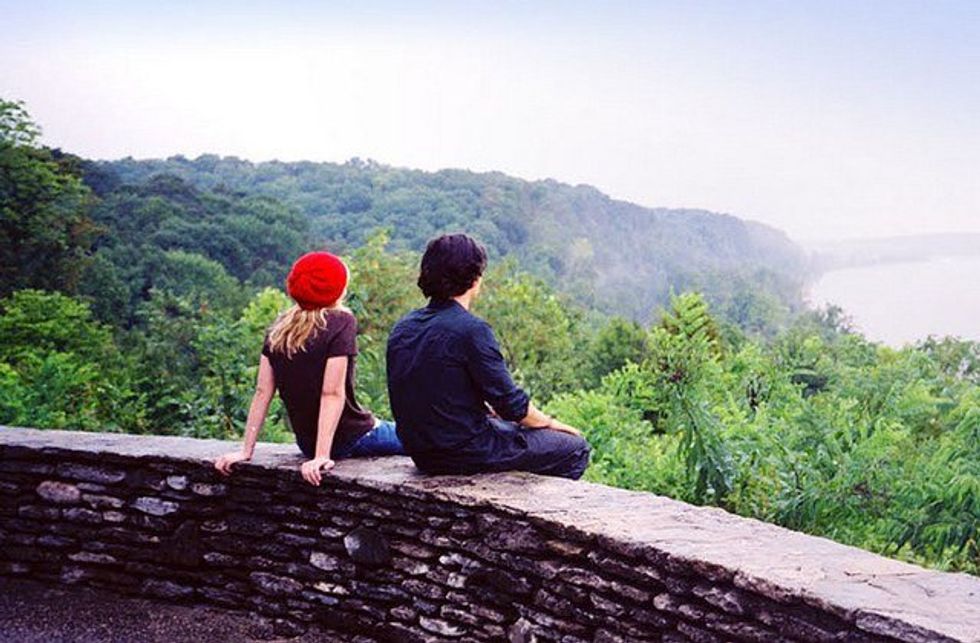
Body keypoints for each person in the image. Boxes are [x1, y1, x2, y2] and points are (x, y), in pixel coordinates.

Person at [386, 233, 590, 480]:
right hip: (463, 452)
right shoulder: (471, 330)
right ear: (475, 278)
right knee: (575, 448)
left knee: (511, 429)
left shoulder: (404, 327)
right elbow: (511, 404)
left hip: (422, 453)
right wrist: (550, 423)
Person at [214, 251, 404, 486]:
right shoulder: (341, 322)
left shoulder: (280, 328)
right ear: (337, 290)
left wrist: (246, 450)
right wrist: (322, 456)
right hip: (352, 436)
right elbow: (331, 393)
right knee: (421, 436)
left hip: (307, 444)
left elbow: (262, 392)